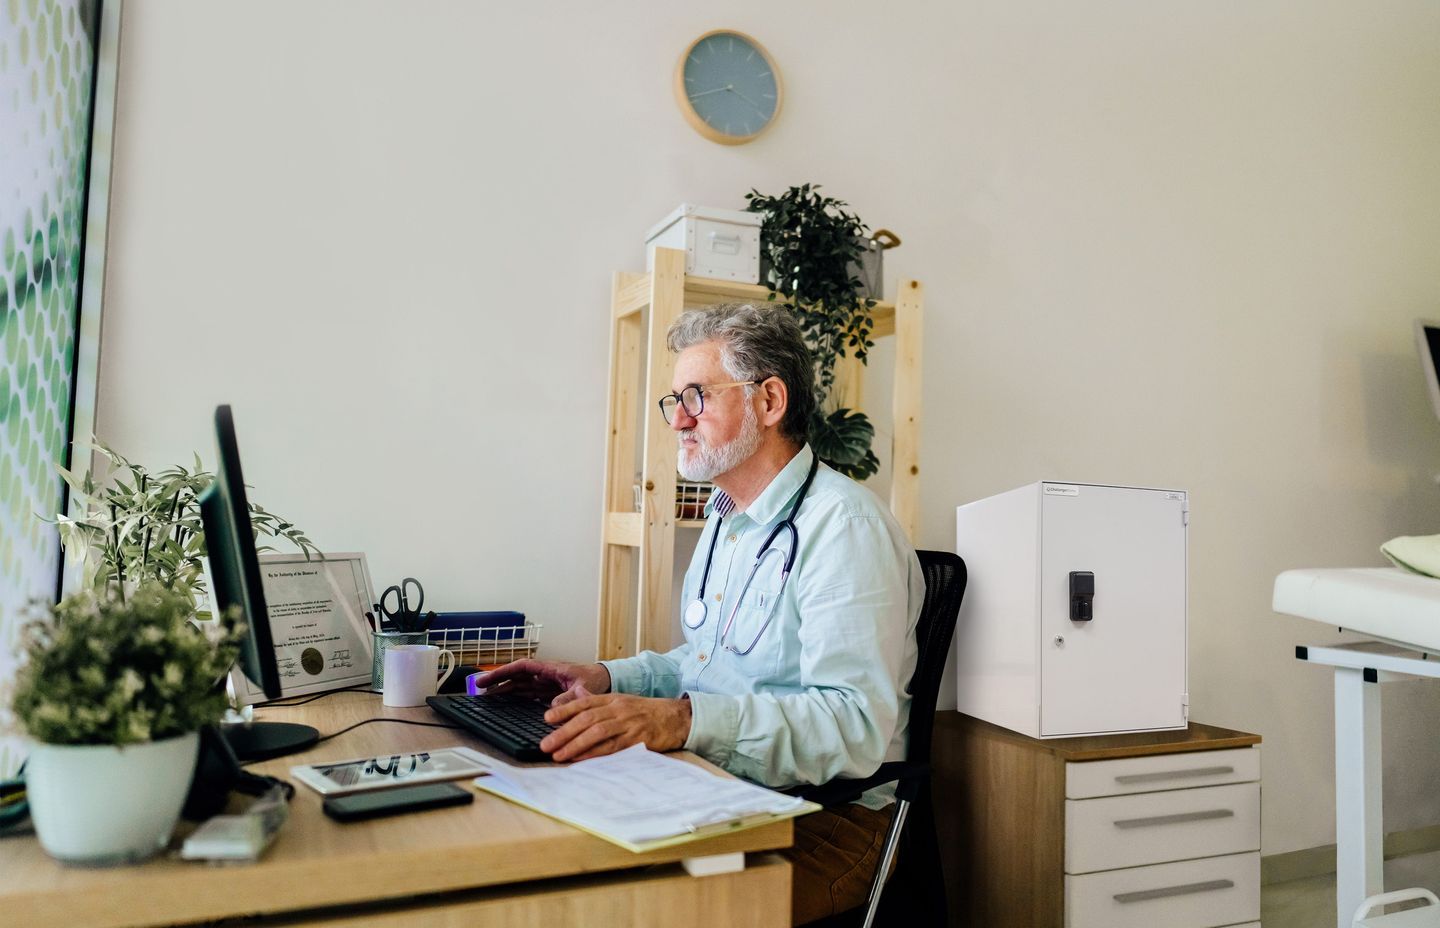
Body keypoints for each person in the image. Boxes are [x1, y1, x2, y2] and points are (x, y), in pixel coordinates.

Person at [476, 302, 923, 924]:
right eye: (674, 400)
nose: (678, 420)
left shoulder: (845, 527)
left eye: (697, 396)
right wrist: (606, 678)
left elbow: (853, 726)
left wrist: (682, 721)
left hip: (827, 820)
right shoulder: (727, 517)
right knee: (540, 869)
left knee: (624, 912)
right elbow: (712, 664)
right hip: (719, 789)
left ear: (769, 401)